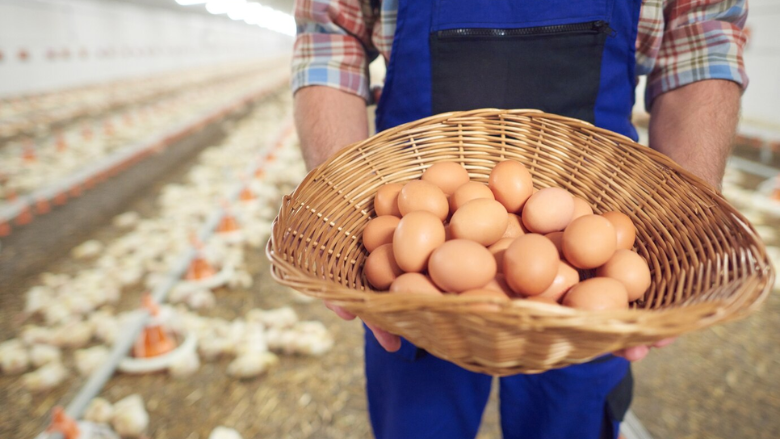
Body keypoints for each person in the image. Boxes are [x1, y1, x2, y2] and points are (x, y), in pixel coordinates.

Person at [291, 0, 747, 438]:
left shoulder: (578, 249)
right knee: (418, 421)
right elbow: (329, 38)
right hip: (416, 285)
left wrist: (685, 222)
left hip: (587, 253)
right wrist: (344, 212)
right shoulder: (433, 233)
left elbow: (703, 45)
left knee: (570, 418)